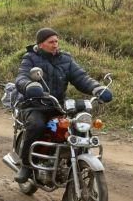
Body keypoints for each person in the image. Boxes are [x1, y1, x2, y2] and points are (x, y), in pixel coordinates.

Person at [13, 28, 113, 183]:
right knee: (37, 125)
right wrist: (29, 85)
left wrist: (97, 88)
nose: (55, 45)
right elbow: (22, 77)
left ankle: (77, 163)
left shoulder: (65, 59)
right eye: (50, 42)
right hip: (34, 105)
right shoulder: (30, 58)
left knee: (77, 128)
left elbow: (81, 77)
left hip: (57, 106)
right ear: (40, 44)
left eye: (56, 41)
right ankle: (26, 165)